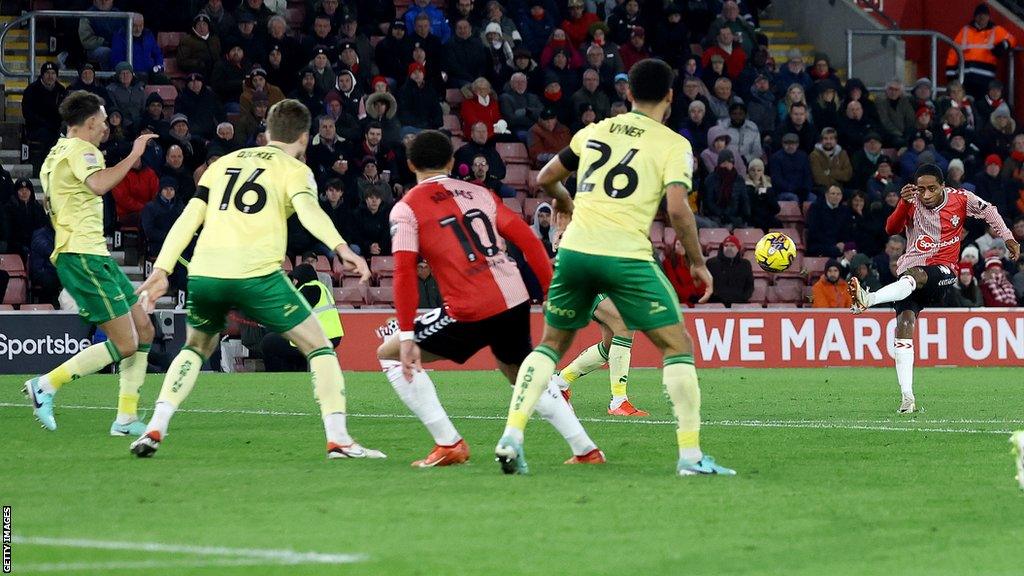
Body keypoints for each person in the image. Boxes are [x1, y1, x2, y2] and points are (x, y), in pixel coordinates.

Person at [495, 59, 732, 476]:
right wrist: (697, 262)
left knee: (549, 346)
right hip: (625, 254)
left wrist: (567, 203)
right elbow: (677, 208)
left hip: (575, 253)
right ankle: (691, 457)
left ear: (628, 94)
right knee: (676, 347)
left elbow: (546, 177)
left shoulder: (595, 130)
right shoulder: (673, 143)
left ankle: (512, 434)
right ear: (672, 97)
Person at [131, 99, 382, 460]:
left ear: (266, 132)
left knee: (195, 348)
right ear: (304, 136)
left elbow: (189, 217)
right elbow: (310, 212)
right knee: (319, 346)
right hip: (257, 274)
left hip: (206, 273)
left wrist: (162, 270)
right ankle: (339, 439)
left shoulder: (225, 164)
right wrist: (342, 248)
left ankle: (156, 424)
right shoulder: (294, 170)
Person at [377, 129, 601, 468]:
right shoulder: (479, 192)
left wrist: (407, 334)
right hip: (512, 297)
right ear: (452, 162)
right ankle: (586, 450)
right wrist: (550, 289)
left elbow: (406, 272)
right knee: (521, 374)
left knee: (391, 354)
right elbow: (526, 239)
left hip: (469, 308)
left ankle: (448, 443)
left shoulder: (406, 209)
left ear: (410, 164)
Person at [24, 91, 159, 436]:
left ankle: (126, 419)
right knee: (127, 343)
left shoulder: (54, 154)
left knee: (144, 331)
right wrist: (134, 155)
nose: (106, 127)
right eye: (102, 120)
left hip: (92, 252)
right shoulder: (83, 151)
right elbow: (98, 185)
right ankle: (46, 385)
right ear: (89, 123)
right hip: (82, 255)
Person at [849, 164, 1019, 414]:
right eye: (921, 189)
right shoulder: (912, 202)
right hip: (909, 275)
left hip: (943, 272)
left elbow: (989, 211)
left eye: (931, 189)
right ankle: (907, 398)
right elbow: (891, 230)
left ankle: (869, 298)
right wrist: (904, 204)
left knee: (917, 276)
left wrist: (1008, 237)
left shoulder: (961, 199)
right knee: (904, 326)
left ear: (943, 186)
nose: (925, 195)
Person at [261, 263, 344, 372]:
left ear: (300, 278)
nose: (293, 282)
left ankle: (278, 378)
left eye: (294, 279)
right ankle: (296, 375)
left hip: (319, 336)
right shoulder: (320, 287)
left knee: (268, 342)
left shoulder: (310, 288)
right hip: (328, 335)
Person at [946, 4, 1017, 100]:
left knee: (981, 106)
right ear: (975, 17)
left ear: (988, 17)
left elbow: (1012, 39)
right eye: (979, 15)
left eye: (984, 15)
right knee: (964, 105)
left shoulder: (996, 30)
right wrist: (951, 77)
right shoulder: (965, 31)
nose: (982, 17)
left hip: (985, 80)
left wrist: (1003, 45)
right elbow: (953, 53)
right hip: (965, 79)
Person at [23, 62, 67, 174]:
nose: (50, 76)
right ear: (42, 74)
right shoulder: (31, 90)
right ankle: (43, 170)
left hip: (57, 127)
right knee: (47, 136)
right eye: (47, 73)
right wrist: (45, 123)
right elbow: (28, 113)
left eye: (53, 73)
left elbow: (66, 111)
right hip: (37, 128)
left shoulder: (61, 90)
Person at [706, 234, 754, 306]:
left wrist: (742, 298)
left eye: (732, 246)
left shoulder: (745, 264)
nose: (729, 248)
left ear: (738, 248)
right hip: (716, 305)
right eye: (726, 245)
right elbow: (706, 284)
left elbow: (749, 285)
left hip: (739, 304)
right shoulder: (711, 263)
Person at [806, 185, 850, 257]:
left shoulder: (845, 210)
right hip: (819, 244)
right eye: (833, 194)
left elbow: (847, 231)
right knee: (835, 252)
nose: (836, 196)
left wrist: (843, 243)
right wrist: (833, 244)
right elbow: (813, 232)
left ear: (842, 196)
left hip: (838, 245)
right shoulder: (816, 208)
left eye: (838, 194)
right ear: (826, 195)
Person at [770, 132, 813, 202]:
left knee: (813, 198)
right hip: (783, 191)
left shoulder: (803, 156)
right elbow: (777, 180)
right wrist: (793, 189)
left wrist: (806, 189)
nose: (790, 146)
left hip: (802, 191)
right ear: (782, 144)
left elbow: (808, 176)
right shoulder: (776, 158)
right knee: (793, 198)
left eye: (793, 144)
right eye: (787, 144)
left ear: (797, 144)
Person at [809, 127, 853, 193]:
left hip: (841, 189)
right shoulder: (814, 155)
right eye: (825, 139)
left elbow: (847, 174)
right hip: (822, 189)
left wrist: (829, 173)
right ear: (821, 141)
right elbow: (818, 178)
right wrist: (836, 181)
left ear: (836, 140)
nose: (828, 141)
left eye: (831, 138)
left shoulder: (843, 153)